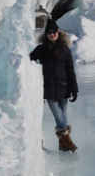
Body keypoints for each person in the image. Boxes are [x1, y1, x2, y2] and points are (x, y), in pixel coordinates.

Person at [29, 19, 79, 152]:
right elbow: (27, 60)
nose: (52, 34)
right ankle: (69, 142)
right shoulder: (41, 49)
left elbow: (70, 71)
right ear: (46, 34)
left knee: (63, 117)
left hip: (64, 87)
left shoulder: (65, 50)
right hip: (49, 89)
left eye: (54, 31)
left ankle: (62, 145)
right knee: (58, 116)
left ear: (58, 32)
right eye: (49, 32)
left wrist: (74, 90)